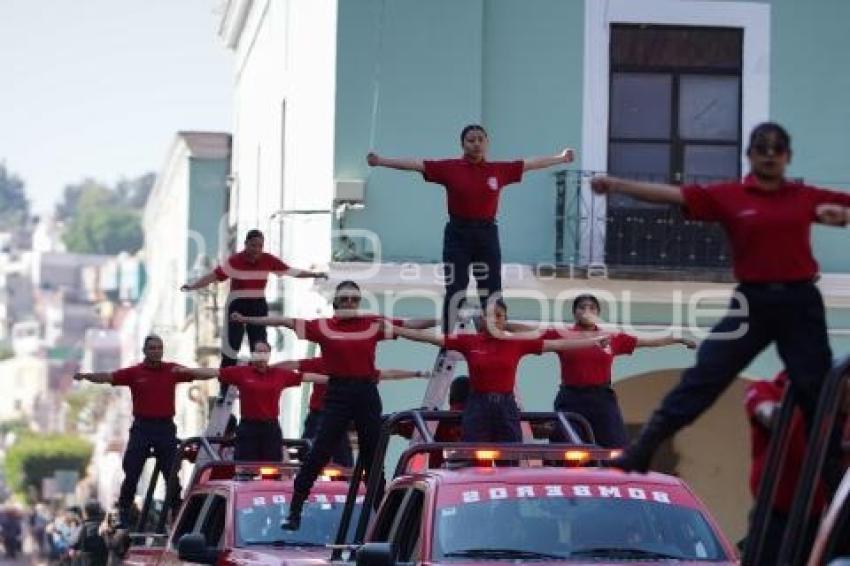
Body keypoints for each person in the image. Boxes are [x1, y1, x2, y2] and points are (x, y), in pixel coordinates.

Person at [590, 122, 850, 473]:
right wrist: (617, 185)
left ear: (787, 156)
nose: (769, 155)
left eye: (777, 149)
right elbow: (673, 195)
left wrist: (843, 216)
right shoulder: (730, 196)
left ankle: (832, 469)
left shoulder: (804, 197)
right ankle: (645, 448)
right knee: (706, 375)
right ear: (750, 155)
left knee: (813, 387)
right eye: (762, 148)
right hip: (752, 303)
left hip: (799, 301)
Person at [230, 280, 439, 529]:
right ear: (336, 302)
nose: (350, 303)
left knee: (373, 455)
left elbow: (410, 325)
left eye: (354, 299)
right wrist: (246, 319)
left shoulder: (370, 323)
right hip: (338, 391)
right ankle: (295, 509)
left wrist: (443, 317)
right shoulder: (323, 326)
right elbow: (283, 321)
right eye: (345, 298)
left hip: (366, 391)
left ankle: (381, 518)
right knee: (319, 451)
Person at [367, 125, 575, 330]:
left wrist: (560, 158)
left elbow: (530, 164)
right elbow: (416, 164)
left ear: (486, 143)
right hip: (458, 233)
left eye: (480, 139)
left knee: (492, 288)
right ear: (463, 144)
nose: (476, 144)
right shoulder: (450, 168)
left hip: (487, 233)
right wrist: (381, 161)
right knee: (455, 287)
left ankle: (494, 334)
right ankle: (448, 338)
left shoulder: (498, 170)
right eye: (471, 140)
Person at [386, 298, 608, 442]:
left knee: (511, 453)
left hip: (506, 405)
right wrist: (396, 329)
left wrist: (593, 341)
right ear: (482, 319)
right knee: (473, 452)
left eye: (499, 315)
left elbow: (559, 344)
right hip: (478, 405)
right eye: (489, 315)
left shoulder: (516, 343)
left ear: (505, 320)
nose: (493, 319)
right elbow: (429, 338)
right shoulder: (469, 341)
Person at [514, 293, 695, 448]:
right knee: (566, 443)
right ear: (575, 313)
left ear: (597, 313)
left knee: (616, 445)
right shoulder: (562, 335)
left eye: (592, 308)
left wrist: (677, 339)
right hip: (571, 398)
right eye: (582, 307)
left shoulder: (611, 337)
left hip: (601, 399)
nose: (587, 311)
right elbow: (533, 331)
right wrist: (503, 325)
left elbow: (648, 342)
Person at [73, 335, 216, 527]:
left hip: (165, 427)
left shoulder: (172, 370)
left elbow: (198, 374)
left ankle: (177, 510)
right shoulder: (135, 372)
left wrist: (219, 373)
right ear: (145, 351)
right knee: (131, 472)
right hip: (142, 428)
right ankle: (124, 510)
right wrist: (86, 376)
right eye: (152, 348)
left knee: (171, 473)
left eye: (159, 347)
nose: (156, 351)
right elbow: (108, 377)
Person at [180, 228, 327, 369]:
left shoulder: (267, 259)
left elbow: (290, 271)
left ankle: (257, 373)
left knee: (258, 342)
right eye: (253, 245)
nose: (256, 249)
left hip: (257, 304)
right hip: (237, 303)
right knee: (232, 344)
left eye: (260, 246)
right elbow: (213, 276)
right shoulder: (235, 260)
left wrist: (314, 274)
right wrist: (193, 286)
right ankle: (226, 379)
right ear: (246, 244)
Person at [176, 341, 328, 462]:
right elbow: (214, 372)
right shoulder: (242, 373)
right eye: (258, 352)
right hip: (248, 428)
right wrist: (189, 371)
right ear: (253, 354)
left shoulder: (280, 374)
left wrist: (334, 380)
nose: (261, 355)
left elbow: (308, 377)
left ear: (269, 355)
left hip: (270, 428)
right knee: (244, 468)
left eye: (265, 352)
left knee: (273, 468)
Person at [275, 356, 430, 467]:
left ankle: (344, 481)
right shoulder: (321, 363)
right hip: (320, 416)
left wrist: (416, 373)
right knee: (309, 452)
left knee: (342, 459)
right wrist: (268, 370)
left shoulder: (358, 370)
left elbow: (389, 374)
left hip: (336, 418)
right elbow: (293, 364)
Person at [741, 371, 827, 562]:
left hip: (816, 517)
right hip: (772, 514)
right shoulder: (764, 390)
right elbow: (768, 414)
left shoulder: (832, 395)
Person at [68, 500, 108, 566]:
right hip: (104, 561)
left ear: (86, 512)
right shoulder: (104, 524)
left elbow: (72, 542)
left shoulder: (85, 527)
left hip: (88, 562)